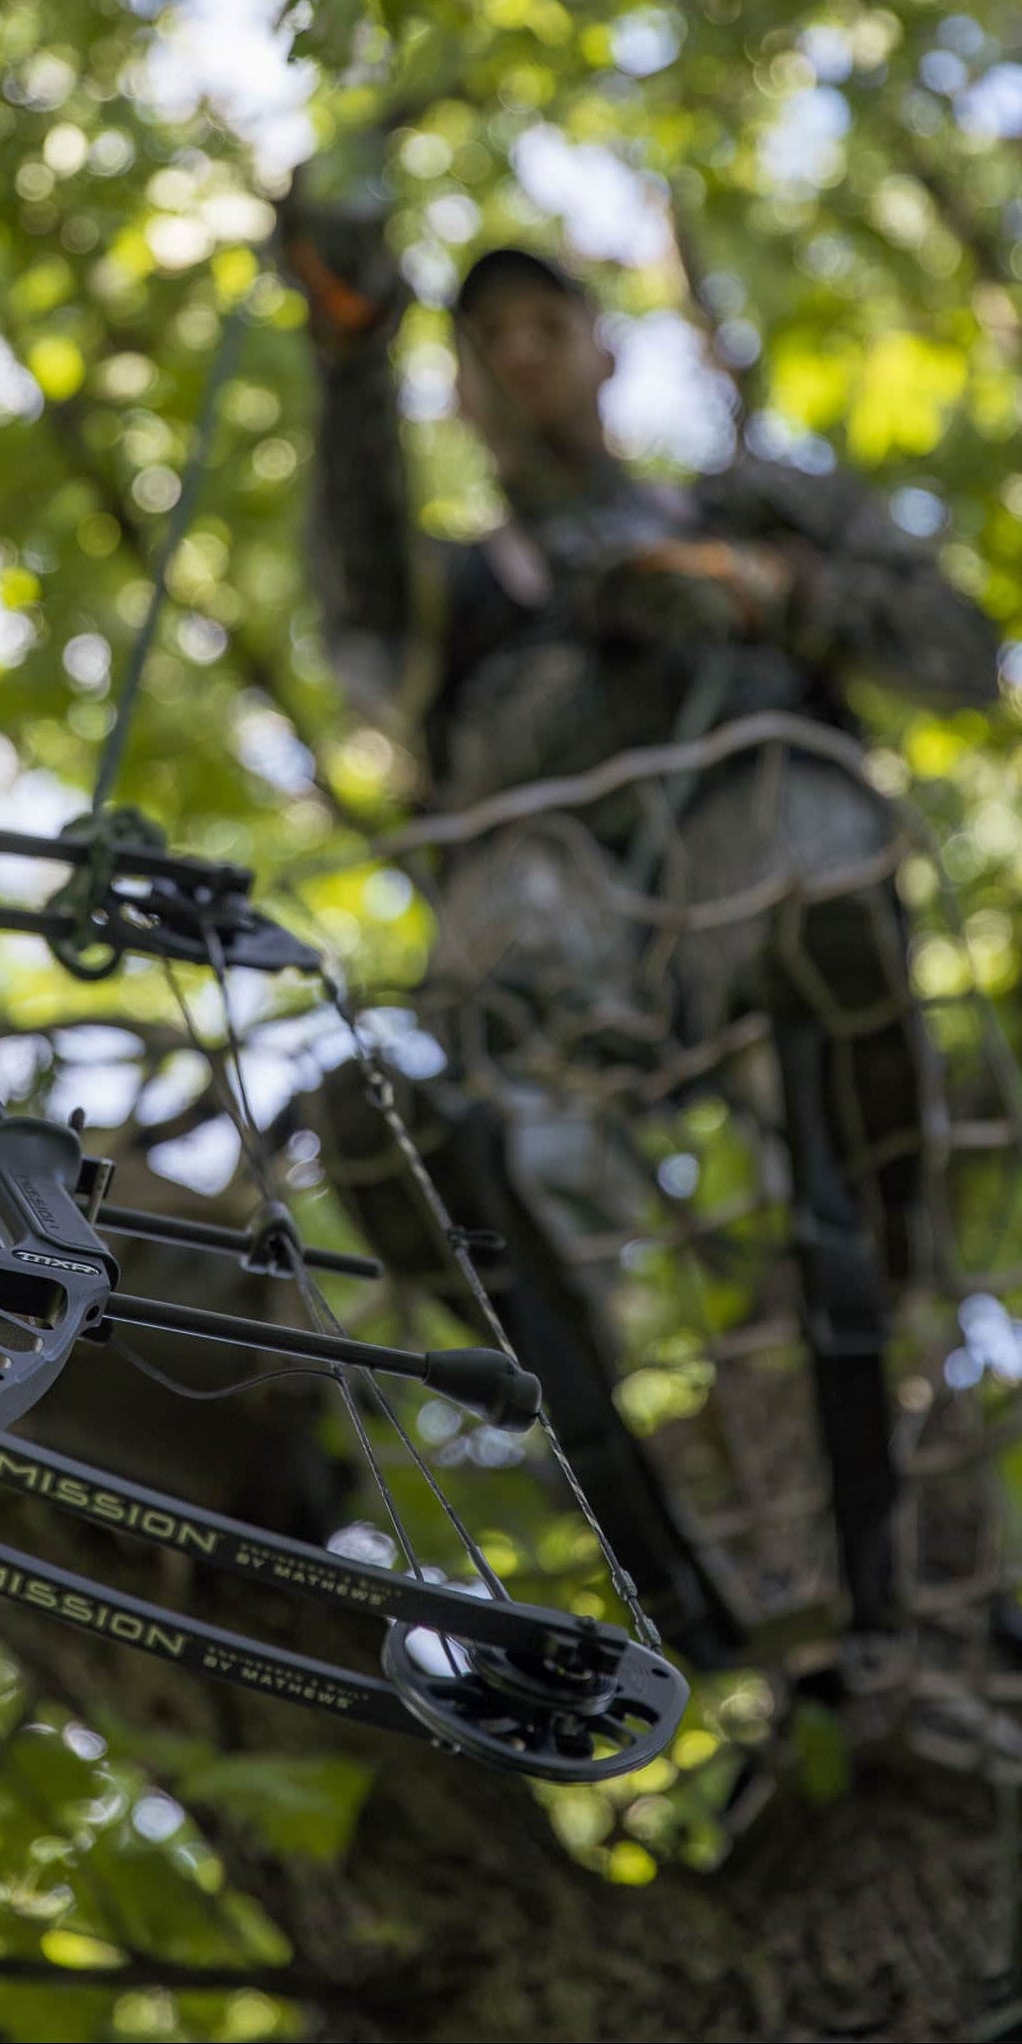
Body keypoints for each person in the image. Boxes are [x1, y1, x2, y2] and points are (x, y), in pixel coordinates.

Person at [282, 208, 1001, 1654]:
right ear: (463, 397)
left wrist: (773, 593)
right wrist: (350, 348)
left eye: (548, 328)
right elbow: (355, 586)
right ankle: (523, 1256)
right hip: (564, 938)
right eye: (486, 348)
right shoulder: (459, 596)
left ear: (606, 352)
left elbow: (965, 660)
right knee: (519, 894)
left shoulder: (738, 514)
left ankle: (870, 1187)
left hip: (758, 881)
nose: (522, 361)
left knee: (799, 809)